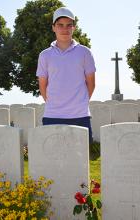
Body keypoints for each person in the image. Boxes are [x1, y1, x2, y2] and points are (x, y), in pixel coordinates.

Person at [36, 7, 96, 144]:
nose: (65, 29)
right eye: (60, 25)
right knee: (53, 159)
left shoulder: (85, 52)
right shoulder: (44, 55)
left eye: (69, 25)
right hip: (53, 115)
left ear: (74, 28)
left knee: (80, 162)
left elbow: (91, 83)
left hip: (80, 115)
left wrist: (80, 103)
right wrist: (54, 103)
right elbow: (42, 85)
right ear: (53, 27)